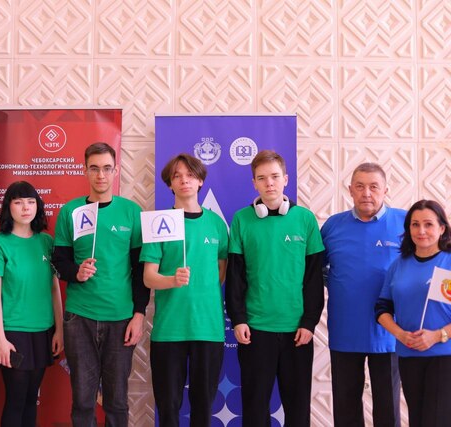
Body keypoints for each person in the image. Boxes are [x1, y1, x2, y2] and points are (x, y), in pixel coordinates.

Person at [52, 142, 150, 426]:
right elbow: (59, 262)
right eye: (94, 168)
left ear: (116, 170)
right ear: (85, 171)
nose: (101, 175)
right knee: (83, 400)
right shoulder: (71, 211)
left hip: (121, 318)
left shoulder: (131, 212)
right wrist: (76, 272)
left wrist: (139, 314)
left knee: (116, 401)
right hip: (79, 317)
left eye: (107, 168)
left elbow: (140, 269)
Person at [225, 149, 324, 427]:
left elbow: (314, 278)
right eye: (262, 178)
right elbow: (235, 276)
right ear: (254, 183)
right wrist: (239, 319)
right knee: (255, 408)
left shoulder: (305, 219)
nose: (269, 183)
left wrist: (309, 322)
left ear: (286, 179)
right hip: (256, 330)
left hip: (297, 332)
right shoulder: (242, 219)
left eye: (275, 176)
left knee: (298, 409)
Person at [141, 153, 228, 427]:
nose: (184, 180)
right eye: (177, 176)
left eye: (190, 175)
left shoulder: (216, 224)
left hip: (208, 328)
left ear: (200, 180)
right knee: (168, 408)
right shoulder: (159, 222)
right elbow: (148, 277)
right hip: (169, 329)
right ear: (170, 184)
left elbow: (221, 270)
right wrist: (172, 281)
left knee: (203, 408)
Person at [321, 163, 404, 427]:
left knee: (388, 407)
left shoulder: (405, 223)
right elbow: (316, 270)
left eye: (374, 187)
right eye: (360, 186)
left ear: (386, 190)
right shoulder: (333, 226)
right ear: (350, 190)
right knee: (345, 407)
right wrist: (338, 285)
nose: (366, 193)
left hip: (390, 332)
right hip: (345, 329)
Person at [0, 181, 63, 427]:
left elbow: (54, 288)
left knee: (30, 400)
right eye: (18, 202)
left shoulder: (46, 242)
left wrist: (59, 330)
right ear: (9, 207)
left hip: (42, 330)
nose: (25, 207)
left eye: (30, 202)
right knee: (15, 400)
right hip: (12, 332)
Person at [376, 199, 451, 427]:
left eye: (428, 224)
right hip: (409, 356)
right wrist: (400, 334)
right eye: (415, 224)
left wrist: (437, 335)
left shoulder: (448, 262)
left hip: (444, 357)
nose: (421, 231)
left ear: (442, 228)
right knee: (417, 420)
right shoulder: (398, 265)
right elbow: (382, 308)